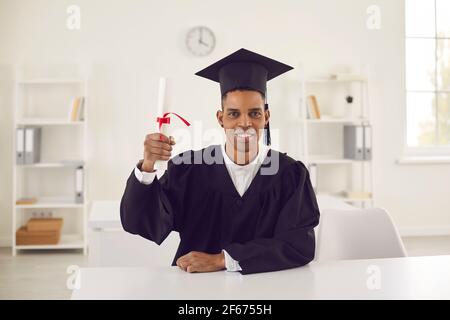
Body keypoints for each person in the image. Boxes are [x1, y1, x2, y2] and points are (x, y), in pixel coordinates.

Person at [120, 48, 320, 274]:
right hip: (195, 291)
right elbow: (144, 224)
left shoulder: (290, 175)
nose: (244, 123)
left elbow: (298, 245)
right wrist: (147, 166)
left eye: (254, 113)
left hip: (267, 290)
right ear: (220, 118)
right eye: (234, 113)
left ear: (266, 116)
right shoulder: (188, 170)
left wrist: (222, 260)